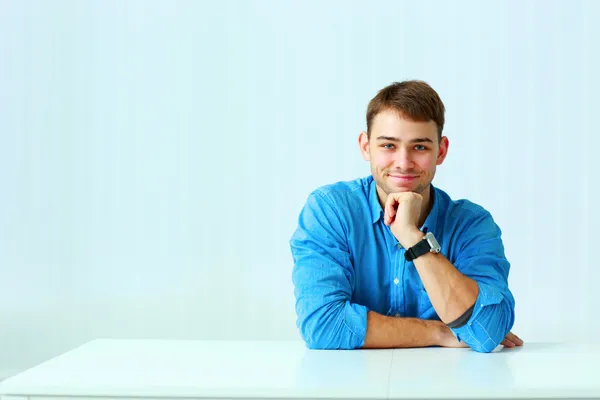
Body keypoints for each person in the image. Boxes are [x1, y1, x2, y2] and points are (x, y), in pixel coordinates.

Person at [289, 80, 523, 353]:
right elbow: (323, 325)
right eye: (388, 146)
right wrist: (439, 332)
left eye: (420, 147)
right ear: (366, 147)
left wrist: (413, 238)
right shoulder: (330, 211)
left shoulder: (472, 224)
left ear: (441, 150)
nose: (403, 162)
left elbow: (487, 331)